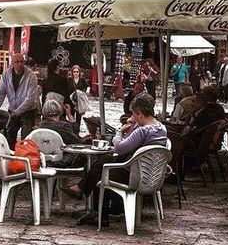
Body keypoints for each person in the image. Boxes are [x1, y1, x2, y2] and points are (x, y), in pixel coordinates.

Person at [69, 94, 168, 226]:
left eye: (133, 113)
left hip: (134, 175)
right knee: (104, 162)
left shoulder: (143, 131)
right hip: (151, 174)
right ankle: (92, 207)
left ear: (139, 114)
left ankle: (95, 210)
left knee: (102, 170)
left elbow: (120, 148)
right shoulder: (161, 128)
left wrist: (119, 132)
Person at [0, 52, 39, 148]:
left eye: (21, 62)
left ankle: (24, 158)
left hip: (28, 111)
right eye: (17, 62)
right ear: (12, 63)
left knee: (26, 139)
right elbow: (0, 93)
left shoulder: (31, 76)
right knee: (9, 136)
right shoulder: (6, 74)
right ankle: (10, 157)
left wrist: (17, 112)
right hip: (12, 109)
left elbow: (30, 99)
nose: (19, 64)